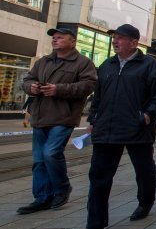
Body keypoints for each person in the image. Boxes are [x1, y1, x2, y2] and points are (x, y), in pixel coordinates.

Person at [76, 24, 156, 229]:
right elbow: (97, 98)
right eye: (114, 39)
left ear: (134, 42)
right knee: (99, 177)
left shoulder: (149, 66)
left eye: (120, 38)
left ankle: (145, 202)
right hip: (106, 129)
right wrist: (92, 121)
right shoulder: (106, 66)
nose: (115, 42)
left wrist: (148, 115)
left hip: (137, 129)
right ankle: (95, 224)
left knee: (144, 171)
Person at [17, 28, 96, 214]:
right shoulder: (43, 62)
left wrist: (58, 89)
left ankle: (62, 188)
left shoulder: (83, 63)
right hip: (40, 115)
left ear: (72, 42)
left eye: (60, 38)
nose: (55, 40)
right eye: (54, 38)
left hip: (64, 116)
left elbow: (89, 85)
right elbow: (27, 80)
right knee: (38, 159)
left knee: (51, 153)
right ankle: (42, 197)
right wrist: (32, 87)